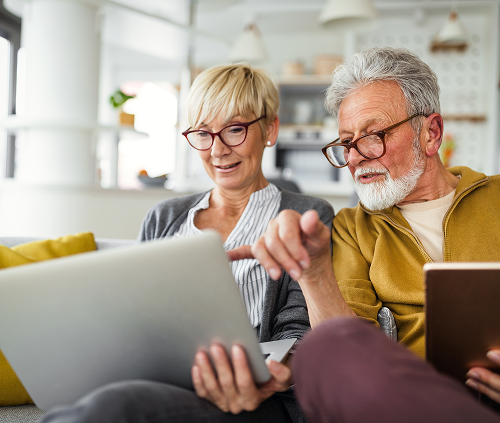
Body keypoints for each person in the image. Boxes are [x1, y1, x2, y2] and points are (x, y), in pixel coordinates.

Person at [39, 63, 333, 423]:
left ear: (270, 128)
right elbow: (133, 314)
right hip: (167, 380)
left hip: (255, 398)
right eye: (203, 134)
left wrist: (267, 371)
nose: (218, 150)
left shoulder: (306, 215)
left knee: (116, 407)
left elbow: (300, 334)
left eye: (235, 130)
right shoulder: (164, 217)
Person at [228, 47, 500, 421]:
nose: (354, 157)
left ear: (431, 133)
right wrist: (314, 272)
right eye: (345, 142)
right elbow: (345, 355)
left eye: (373, 135)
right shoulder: (350, 229)